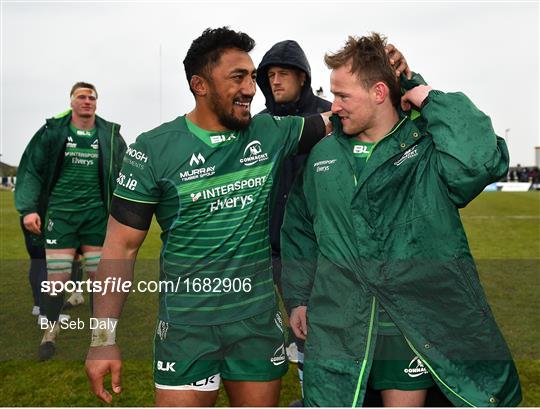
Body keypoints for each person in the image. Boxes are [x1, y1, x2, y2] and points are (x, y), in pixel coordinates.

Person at [281, 33, 522, 407]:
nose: (334, 105)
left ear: (379, 92)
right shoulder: (322, 154)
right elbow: (298, 228)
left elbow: (481, 160)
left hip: (411, 323)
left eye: (343, 95)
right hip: (340, 323)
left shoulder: (425, 145)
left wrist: (421, 91)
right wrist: (298, 298)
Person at [15, 82, 126, 361]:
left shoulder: (109, 134)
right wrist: (29, 209)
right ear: (72, 101)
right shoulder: (53, 131)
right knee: (57, 280)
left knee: (99, 281)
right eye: (82, 97)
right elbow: (31, 169)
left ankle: (101, 339)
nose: (87, 101)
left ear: (96, 102)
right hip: (61, 217)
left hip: (96, 218)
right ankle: (50, 333)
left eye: (92, 97)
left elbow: (126, 169)